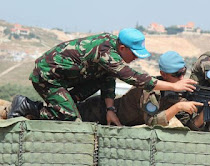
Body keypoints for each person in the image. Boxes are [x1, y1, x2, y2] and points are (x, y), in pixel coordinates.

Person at [7, 28, 196, 124]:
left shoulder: (113, 47)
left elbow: (107, 80)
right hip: (48, 78)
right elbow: (135, 79)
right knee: (71, 118)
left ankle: (63, 105)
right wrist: (174, 87)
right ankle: (28, 106)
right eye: (134, 54)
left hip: (66, 78)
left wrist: (110, 109)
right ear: (122, 48)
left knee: (99, 80)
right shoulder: (107, 53)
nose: (135, 59)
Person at [77, 51, 210, 130]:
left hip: (114, 125)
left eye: (183, 72)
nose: (181, 78)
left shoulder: (179, 92)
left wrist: (209, 110)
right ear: (163, 74)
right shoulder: (150, 89)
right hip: (95, 111)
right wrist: (178, 107)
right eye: (176, 75)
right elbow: (152, 121)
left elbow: (192, 125)